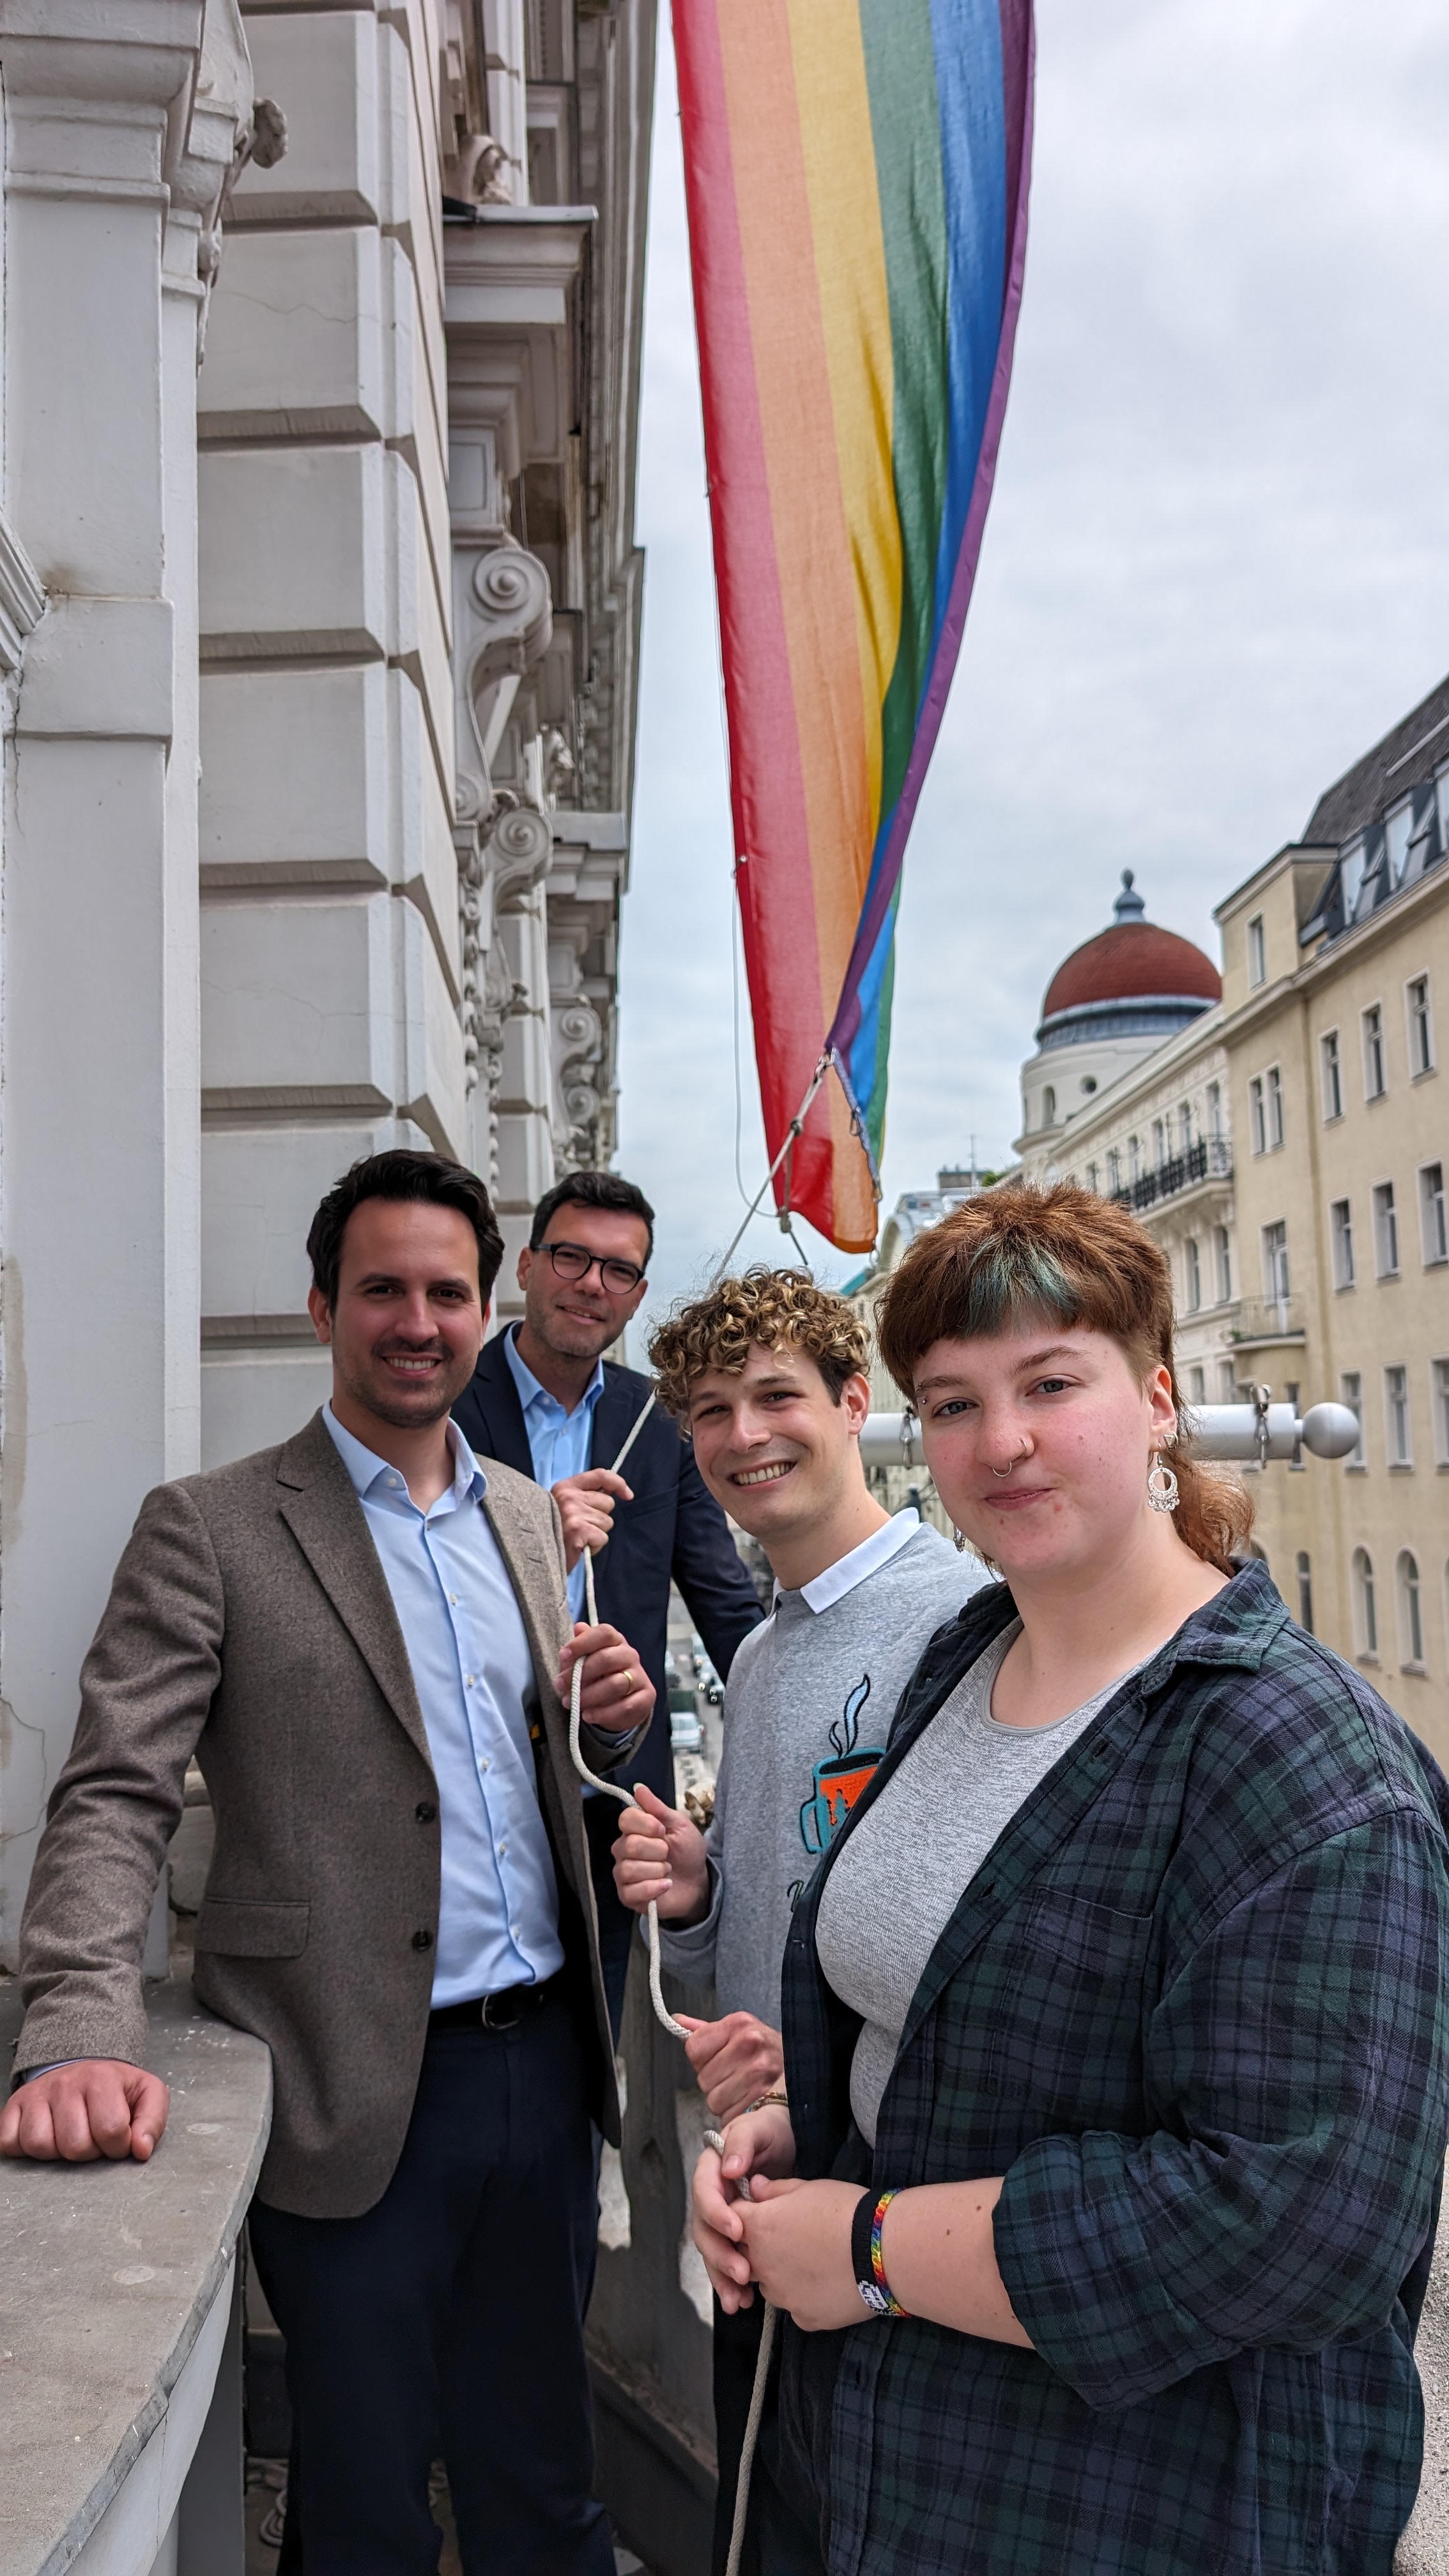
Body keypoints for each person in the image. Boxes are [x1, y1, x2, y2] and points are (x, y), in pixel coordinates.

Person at [692, 1185, 1449, 2576]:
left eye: (1052, 1382)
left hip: (1124, 2504)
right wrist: (822, 2130)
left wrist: (868, 2246)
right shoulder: (963, 1658)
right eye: (955, 1402)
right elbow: (944, 2011)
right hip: (882, 2465)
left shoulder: (1299, 1757)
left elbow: (1303, 2218)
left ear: (1160, 1400)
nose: (1004, 1442)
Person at [2, 1149, 659, 2576]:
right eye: (383, 1290)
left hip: (543, 2071)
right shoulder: (214, 1527)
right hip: (342, 2084)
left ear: (487, 1312)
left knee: (544, 2482)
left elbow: (509, 1768)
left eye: (446, 1292)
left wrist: (600, 1717)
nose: (417, 1321)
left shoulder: (528, 1519)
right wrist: (73, 2030)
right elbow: (116, 1792)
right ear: (321, 1305)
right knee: (358, 2508)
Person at [611, 1268, 985, 2576]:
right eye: (709, 1411)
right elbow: (771, 1933)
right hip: (765, 2191)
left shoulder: (962, 1625)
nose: (742, 1434)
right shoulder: (762, 1656)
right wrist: (704, 1894)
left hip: (900, 2218)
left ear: (852, 1401)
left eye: (776, 1395)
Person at [451, 1168, 764, 2032]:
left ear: (637, 1296)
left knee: (605, 2038)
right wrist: (531, 1538)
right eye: (572, 1258)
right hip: (481, 1780)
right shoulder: (443, 1405)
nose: (592, 1284)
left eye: (618, 1271)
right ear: (525, 1266)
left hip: (618, 1793)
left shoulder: (660, 1419)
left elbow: (724, 1599)